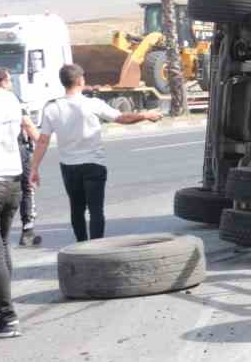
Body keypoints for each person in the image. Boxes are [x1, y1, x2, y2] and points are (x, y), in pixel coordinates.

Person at [29, 64, 160, 244]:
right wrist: (145, 115)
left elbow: (42, 140)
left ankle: (82, 245)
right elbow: (122, 118)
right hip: (93, 164)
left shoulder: (52, 108)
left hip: (69, 167)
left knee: (76, 208)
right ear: (81, 80)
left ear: (63, 83)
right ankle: (96, 246)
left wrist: (34, 168)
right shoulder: (92, 104)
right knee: (96, 209)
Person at [0, 68, 36, 338]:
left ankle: (7, 317)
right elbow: (30, 129)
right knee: (3, 245)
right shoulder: (11, 99)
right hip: (11, 182)